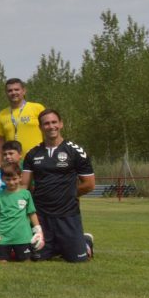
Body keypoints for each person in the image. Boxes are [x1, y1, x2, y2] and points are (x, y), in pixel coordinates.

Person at [23, 109, 94, 263]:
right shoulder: (32, 154)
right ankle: (57, 245)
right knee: (37, 258)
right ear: (40, 127)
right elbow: (24, 186)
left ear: (61, 124)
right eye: (46, 123)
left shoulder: (76, 151)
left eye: (54, 122)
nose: (51, 126)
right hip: (41, 215)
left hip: (68, 214)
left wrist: (69, 194)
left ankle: (85, 241)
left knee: (78, 260)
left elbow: (89, 184)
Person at [0, 78, 46, 160]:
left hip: (37, 158)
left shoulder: (37, 108)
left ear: (24, 91)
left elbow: (48, 132)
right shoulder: (2, 114)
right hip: (13, 162)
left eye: (16, 89)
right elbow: (0, 142)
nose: (13, 93)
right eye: (10, 90)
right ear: (6, 93)